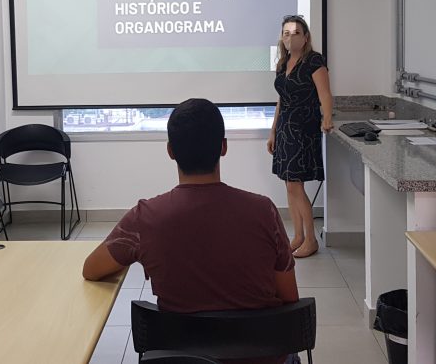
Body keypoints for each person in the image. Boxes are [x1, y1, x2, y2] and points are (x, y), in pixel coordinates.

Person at [82, 98, 299, 364]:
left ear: (170, 151)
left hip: (180, 357)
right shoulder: (264, 211)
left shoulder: (145, 218)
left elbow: (91, 269)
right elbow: (290, 298)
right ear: (223, 147)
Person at [268, 15, 333, 258]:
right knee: (289, 183)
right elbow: (281, 100)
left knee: (295, 183)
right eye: (286, 33)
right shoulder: (283, 64)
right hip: (285, 127)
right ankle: (297, 236)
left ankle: (311, 240)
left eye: (295, 32)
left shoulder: (314, 61)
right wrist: (273, 131)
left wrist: (327, 118)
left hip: (304, 128)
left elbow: (325, 94)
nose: (290, 37)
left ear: (305, 37)